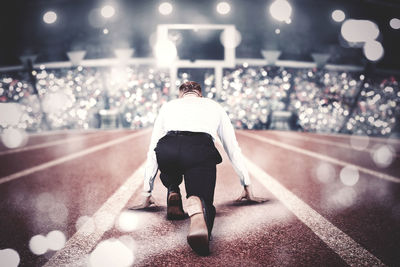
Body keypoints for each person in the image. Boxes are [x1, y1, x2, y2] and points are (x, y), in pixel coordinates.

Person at [134, 81, 265, 255]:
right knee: (200, 194)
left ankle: (173, 190)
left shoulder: (169, 106)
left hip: (168, 148)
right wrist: (246, 184)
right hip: (199, 148)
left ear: (181, 95)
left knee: (167, 163)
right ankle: (197, 207)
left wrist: (147, 192)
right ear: (200, 94)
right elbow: (231, 147)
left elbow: (153, 148)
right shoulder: (214, 106)